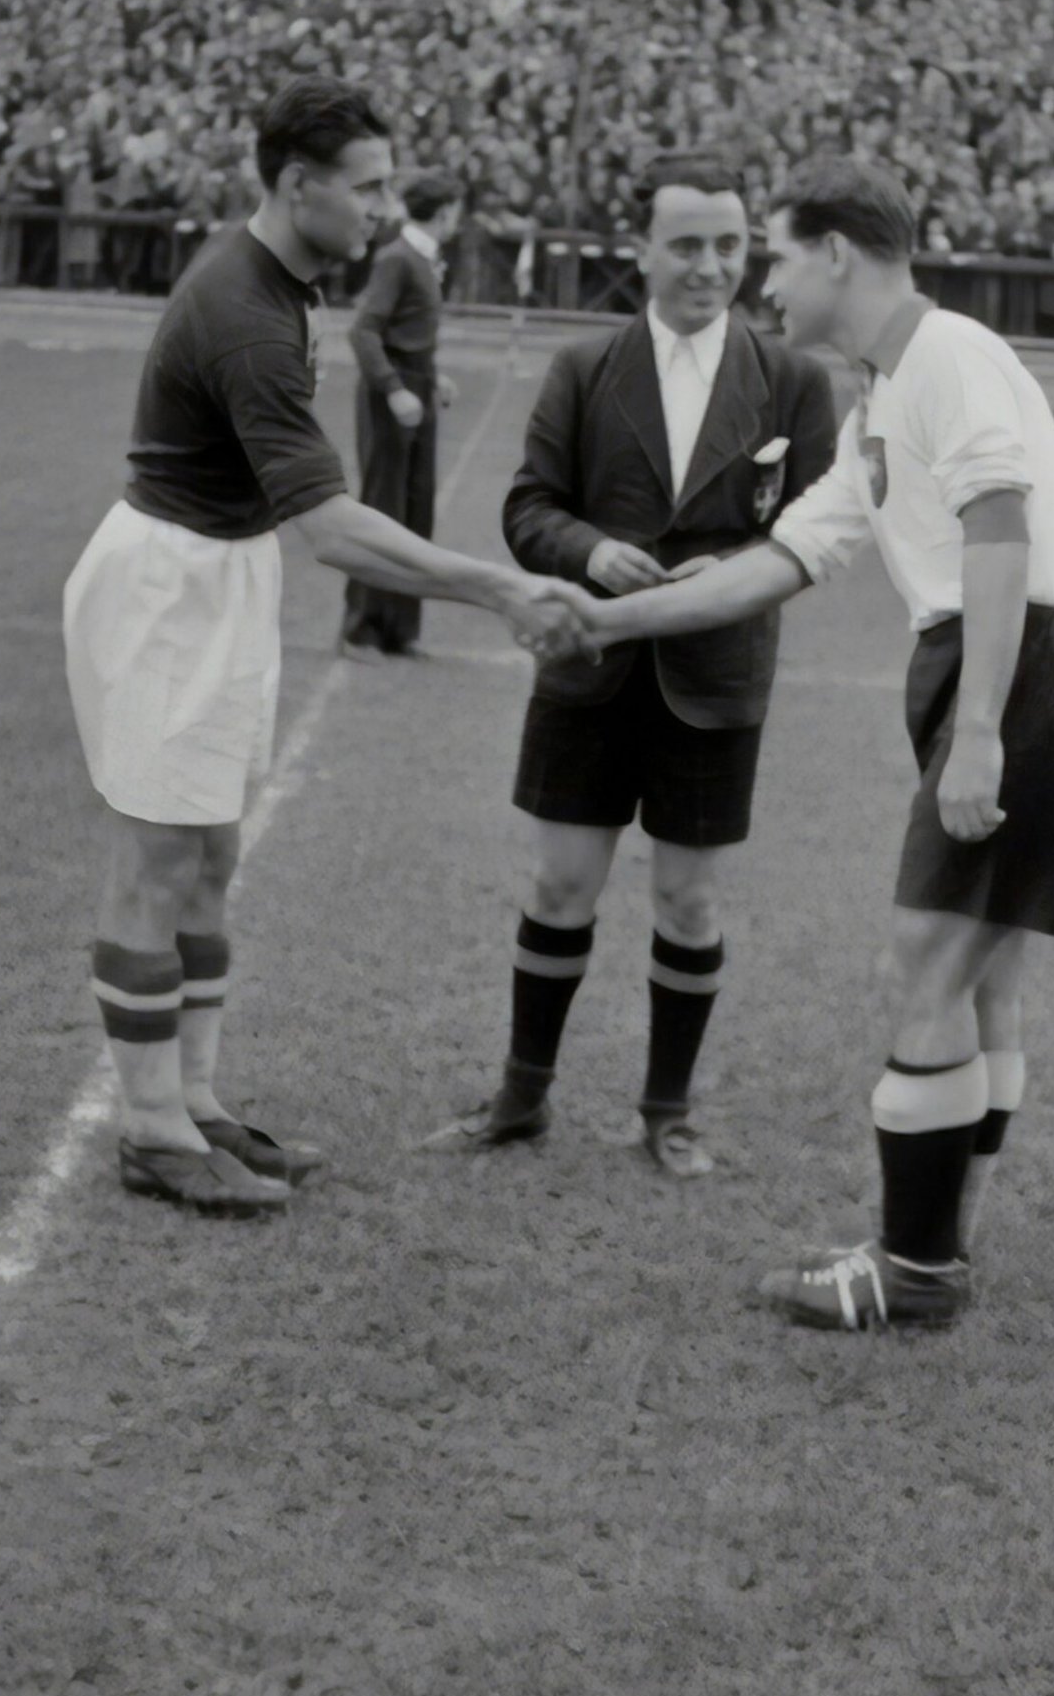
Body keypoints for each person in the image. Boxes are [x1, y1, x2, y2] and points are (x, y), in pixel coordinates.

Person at [581, 154, 1054, 1320]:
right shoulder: (882, 394)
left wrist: (979, 726)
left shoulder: (947, 355)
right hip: (1004, 665)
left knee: (926, 959)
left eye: (776, 254)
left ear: (836, 251)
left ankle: (912, 1269)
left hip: (1022, 666)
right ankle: (942, 1239)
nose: (763, 281)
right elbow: (787, 557)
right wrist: (607, 615)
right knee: (980, 976)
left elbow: (998, 523)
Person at [63, 77, 594, 1219]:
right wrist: (499, 584)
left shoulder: (283, 278)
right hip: (170, 584)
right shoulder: (249, 314)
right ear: (297, 185)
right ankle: (151, 1130)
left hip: (221, 569)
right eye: (368, 187)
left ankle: (194, 1102)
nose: (386, 208)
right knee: (154, 861)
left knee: (207, 856)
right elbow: (330, 528)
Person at [430, 150, 837, 1177]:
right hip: (587, 668)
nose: (710, 266)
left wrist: (735, 566)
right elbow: (528, 508)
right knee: (562, 883)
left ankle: (668, 1113)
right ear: (641, 250)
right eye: (687, 245)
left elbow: (816, 533)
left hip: (716, 678)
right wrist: (585, 550)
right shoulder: (584, 366)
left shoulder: (791, 379)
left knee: (689, 902)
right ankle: (521, 1098)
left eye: (730, 246)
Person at [341, 169, 465, 660]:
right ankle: (360, 628)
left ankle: (399, 627)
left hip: (417, 386)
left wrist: (432, 378)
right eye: (456, 211)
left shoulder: (428, 259)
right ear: (443, 213)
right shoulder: (398, 258)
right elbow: (364, 332)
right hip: (391, 394)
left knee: (415, 509)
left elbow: (411, 331)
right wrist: (394, 389)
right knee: (381, 509)